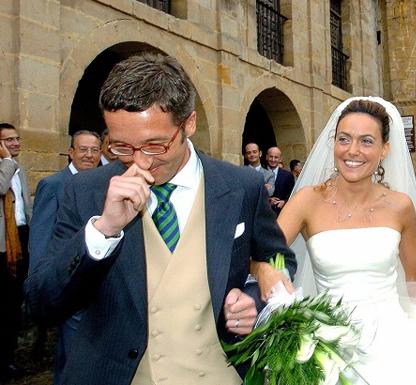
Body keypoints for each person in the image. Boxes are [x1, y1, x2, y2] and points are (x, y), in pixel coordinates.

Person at [25, 53, 296, 385]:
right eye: (121, 147)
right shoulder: (84, 191)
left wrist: (254, 296)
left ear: (189, 124)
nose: (140, 162)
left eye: (155, 145)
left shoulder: (242, 186)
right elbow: (42, 303)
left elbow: (278, 258)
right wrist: (104, 231)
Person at [252, 97, 416, 384]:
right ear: (334, 143)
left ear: (384, 149)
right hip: (324, 345)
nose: (353, 150)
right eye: (344, 139)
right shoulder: (307, 201)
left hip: (394, 347)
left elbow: (415, 275)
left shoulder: (400, 206)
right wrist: (263, 269)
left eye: (366, 141)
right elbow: (260, 254)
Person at [28, 130, 102, 383]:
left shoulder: (105, 183)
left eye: (94, 150)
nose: (89, 155)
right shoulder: (54, 185)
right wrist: (41, 286)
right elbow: (40, 240)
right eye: (83, 149)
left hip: (100, 288)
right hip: (69, 285)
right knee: (71, 360)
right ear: (71, 152)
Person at [0, 123, 31, 382]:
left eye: (17, 138)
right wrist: (7, 161)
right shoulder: (8, 167)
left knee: (13, 305)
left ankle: (8, 359)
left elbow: (25, 206)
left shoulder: (17, 169)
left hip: (20, 240)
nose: (16, 143)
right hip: (2, 246)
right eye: (9, 140)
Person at [266, 146, 295, 214]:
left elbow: (292, 194)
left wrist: (284, 202)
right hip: (263, 215)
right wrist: (267, 200)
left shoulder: (288, 175)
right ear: (266, 157)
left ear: (280, 159)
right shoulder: (259, 174)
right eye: (271, 156)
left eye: (276, 157)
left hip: (281, 214)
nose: (273, 160)